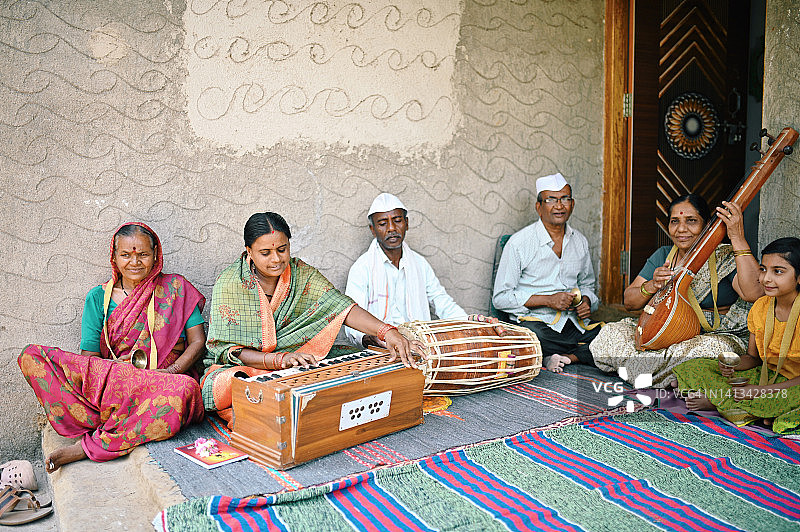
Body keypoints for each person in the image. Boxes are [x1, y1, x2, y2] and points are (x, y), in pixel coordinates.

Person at [18, 223, 206, 472]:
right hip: (115, 386)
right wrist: (114, 369)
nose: (134, 262)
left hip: (162, 383)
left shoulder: (176, 289)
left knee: (185, 390)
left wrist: (170, 371)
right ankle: (116, 418)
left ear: (156, 255)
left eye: (143, 254)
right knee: (31, 356)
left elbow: (198, 341)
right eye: (126, 255)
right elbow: (89, 359)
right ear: (114, 257)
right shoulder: (98, 297)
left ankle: (88, 447)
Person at [202, 212, 421, 425]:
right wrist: (279, 360)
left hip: (300, 358)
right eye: (265, 253)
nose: (276, 259)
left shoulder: (301, 273)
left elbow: (341, 307)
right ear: (249, 251)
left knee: (357, 362)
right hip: (250, 367)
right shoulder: (230, 283)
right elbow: (228, 350)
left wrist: (386, 332)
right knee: (226, 383)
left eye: (282, 249)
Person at [590, 193, 764, 387]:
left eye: (691, 221)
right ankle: (677, 377)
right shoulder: (664, 255)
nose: (681, 229)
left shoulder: (724, 256)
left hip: (713, 336)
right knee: (611, 333)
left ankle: (653, 372)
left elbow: (754, 293)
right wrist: (652, 285)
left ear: (707, 225)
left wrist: (737, 237)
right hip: (665, 334)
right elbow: (629, 302)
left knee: (706, 350)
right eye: (675, 221)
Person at [672, 237, 800, 434]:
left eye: (778, 271)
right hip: (766, 376)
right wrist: (733, 365)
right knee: (693, 366)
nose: (766, 278)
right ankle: (749, 408)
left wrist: (759, 391)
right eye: (763, 269)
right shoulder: (760, 307)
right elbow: (753, 358)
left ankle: (718, 402)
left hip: (793, 384)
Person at [492, 172, 601, 373]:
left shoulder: (580, 241)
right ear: (539, 207)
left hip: (572, 323)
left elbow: (588, 285)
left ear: (572, 204)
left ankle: (563, 357)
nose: (559, 206)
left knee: (612, 335)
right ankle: (570, 354)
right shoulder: (519, 243)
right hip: (537, 324)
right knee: (530, 338)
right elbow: (500, 298)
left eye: (565, 199)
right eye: (551, 199)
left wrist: (586, 301)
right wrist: (548, 300)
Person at [344, 192, 468, 348]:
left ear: (407, 223)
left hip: (422, 347)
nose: (391, 228)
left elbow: (442, 302)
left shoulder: (420, 264)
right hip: (382, 351)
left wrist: (471, 324)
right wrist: (377, 339)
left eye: (397, 221)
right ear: (373, 229)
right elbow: (351, 322)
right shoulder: (362, 268)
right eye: (382, 223)